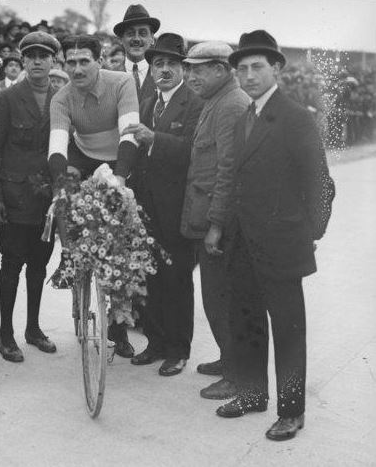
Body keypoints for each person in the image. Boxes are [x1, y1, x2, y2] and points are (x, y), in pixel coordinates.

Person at [215, 30, 334, 441]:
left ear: (276, 68)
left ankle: (292, 411)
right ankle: (251, 394)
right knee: (246, 319)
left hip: (282, 242)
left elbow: (319, 183)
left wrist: (309, 232)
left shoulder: (296, 116)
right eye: (241, 69)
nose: (248, 76)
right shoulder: (243, 117)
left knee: (288, 329)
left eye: (257, 67)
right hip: (244, 240)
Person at [47, 34, 140, 358]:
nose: (76, 68)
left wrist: (121, 178)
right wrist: (63, 187)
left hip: (120, 156)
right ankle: (70, 256)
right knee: (64, 197)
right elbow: (57, 147)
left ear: (99, 61)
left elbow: (130, 134)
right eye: (70, 62)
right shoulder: (61, 97)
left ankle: (118, 325)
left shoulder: (122, 82)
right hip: (83, 156)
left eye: (84, 61)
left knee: (123, 238)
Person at [120, 34, 204, 376]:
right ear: (151, 68)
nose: (164, 70)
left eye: (171, 63)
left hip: (178, 208)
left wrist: (156, 140)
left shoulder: (195, 103)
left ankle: (178, 350)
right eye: (158, 64)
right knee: (150, 276)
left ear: (183, 67)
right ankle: (155, 342)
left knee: (178, 279)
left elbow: (196, 152)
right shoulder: (147, 101)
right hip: (147, 208)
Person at [180, 41, 250, 397]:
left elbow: (228, 171)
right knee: (215, 297)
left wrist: (217, 225)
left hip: (219, 223)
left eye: (198, 69)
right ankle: (229, 359)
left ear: (221, 70)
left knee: (222, 299)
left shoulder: (231, 105)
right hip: (207, 215)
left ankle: (237, 375)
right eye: (188, 69)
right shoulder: (216, 101)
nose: (190, 75)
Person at [0, 31, 61, 363]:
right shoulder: (5, 99)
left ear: (53, 61)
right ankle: (6, 334)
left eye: (43, 56)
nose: (36, 61)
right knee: (11, 265)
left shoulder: (61, 98)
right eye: (30, 56)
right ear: (22, 61)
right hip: (14, 199)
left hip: (47, 200)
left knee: (39, 266)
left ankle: (33, 328)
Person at [113, 4, 160, 101]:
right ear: (121, 39)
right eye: (130, 33)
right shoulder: (110, 76)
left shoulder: (162, 77)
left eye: (142, 33)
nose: (136, 39)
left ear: (152, 38)